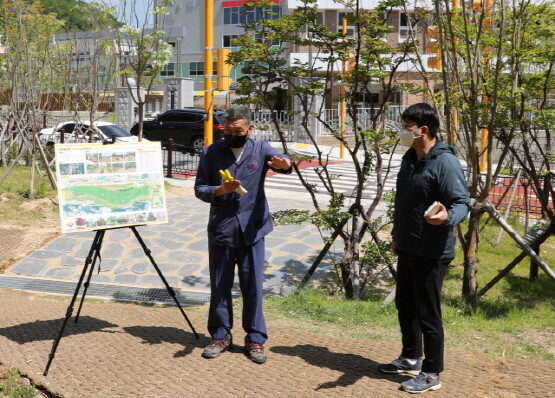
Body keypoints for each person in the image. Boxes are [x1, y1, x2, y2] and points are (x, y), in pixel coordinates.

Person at [378, 103, 470, 393]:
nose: (401, 132)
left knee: (428, 312)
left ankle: (432, 372)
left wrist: (446, 218)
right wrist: (397, 235)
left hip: (432, 250)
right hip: (408, 245)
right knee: (405, 306)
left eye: (406, 127)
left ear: (424, 130)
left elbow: (461, 203)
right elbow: (404, 201)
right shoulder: (410, 157)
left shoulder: (445, 162)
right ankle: (410, 357)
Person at [194, 106, 292, 364]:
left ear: (250, 129)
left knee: (253, 287)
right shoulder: (211, 152)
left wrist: (286, 164)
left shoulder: (261, 148)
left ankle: (256, 339)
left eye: (238, 131)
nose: (232, 134)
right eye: (228, 131)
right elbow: (200, 188)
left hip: (253, 229)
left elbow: (281, 161)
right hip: (222, 229)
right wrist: (219, 189)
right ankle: (220, 335)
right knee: (220, 285)